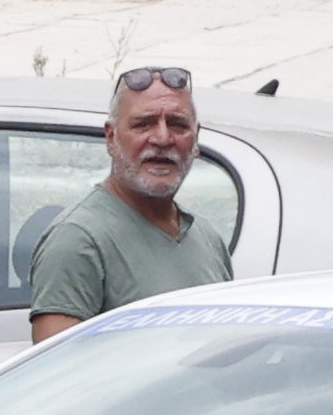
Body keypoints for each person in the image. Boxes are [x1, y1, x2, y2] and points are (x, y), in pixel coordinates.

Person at [28, 67, 233, 340]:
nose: (162, 138)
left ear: (196, 139)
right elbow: (55, 364)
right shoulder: (78, 240)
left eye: (177, 125)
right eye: (143, 124)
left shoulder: (207, 238)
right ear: (111, 138)